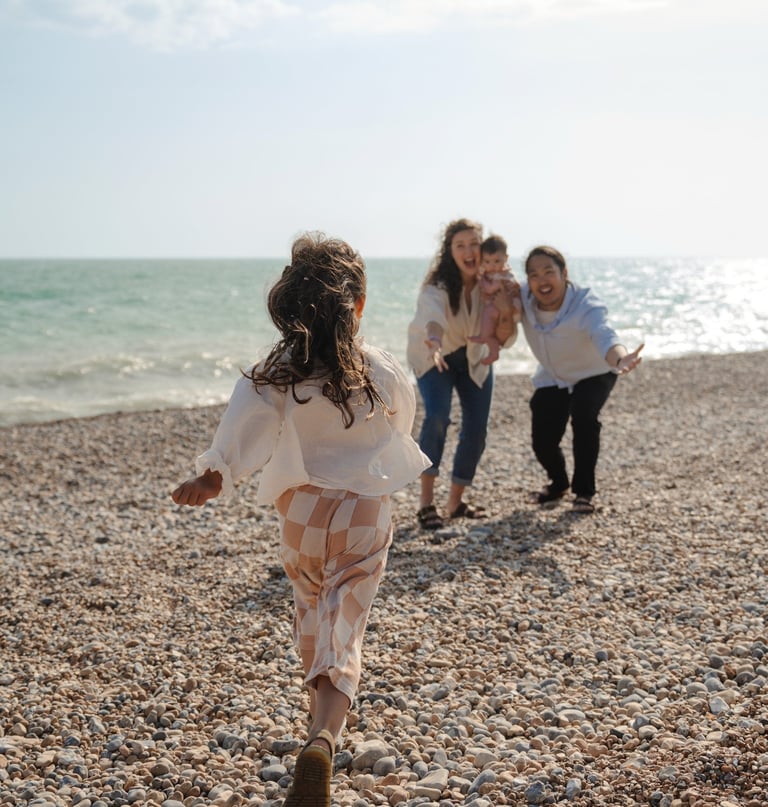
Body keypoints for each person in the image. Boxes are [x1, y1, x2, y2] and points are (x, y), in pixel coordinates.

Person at [171, 233, 430, 807]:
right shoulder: (378, 368)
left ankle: (316, 726)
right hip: (363, 510)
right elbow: (403, 422)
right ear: (358, 304)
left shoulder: (278, 370)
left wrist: (216, 473)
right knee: (347, 623)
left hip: (302, 510)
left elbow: (245, 422)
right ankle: (322, 740)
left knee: (312, 613)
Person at [406, 218, 519, 530]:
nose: (468, 252)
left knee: (477, 428)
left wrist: (505, 309)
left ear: (483, 249)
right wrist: (435, 341)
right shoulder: (437, 285)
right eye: (460, 245)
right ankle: (426, 504)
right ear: (450, 251)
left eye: (474, 244)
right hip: (435, 356)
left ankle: (455, 503)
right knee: (437, 417)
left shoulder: (496, 285)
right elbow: (432, 317)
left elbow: (505, 338)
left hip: (474, 357)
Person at [517, 245, 643, 514]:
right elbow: (498, 298)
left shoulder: (585, 304)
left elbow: (604, 334)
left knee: (584, 417)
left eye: (548, 272)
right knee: (542, 436)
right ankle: (559, 482)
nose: (542, 280)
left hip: (595, 371)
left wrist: (620, 359)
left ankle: (584, 492)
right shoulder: (524, 298)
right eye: (534, 275)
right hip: (554, 374)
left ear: (564, 274)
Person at [472, 234, 522, 365]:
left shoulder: (503, 275)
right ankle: (491, 346)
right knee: (491, 332)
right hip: (501, 306)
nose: (492, 266)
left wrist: (481, 282)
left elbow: (491, 288)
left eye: (496, 261)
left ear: (506, 258)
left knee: (488, 314)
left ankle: (485, 337)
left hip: (508, 307)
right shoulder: (494, 273)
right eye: (487, 262)